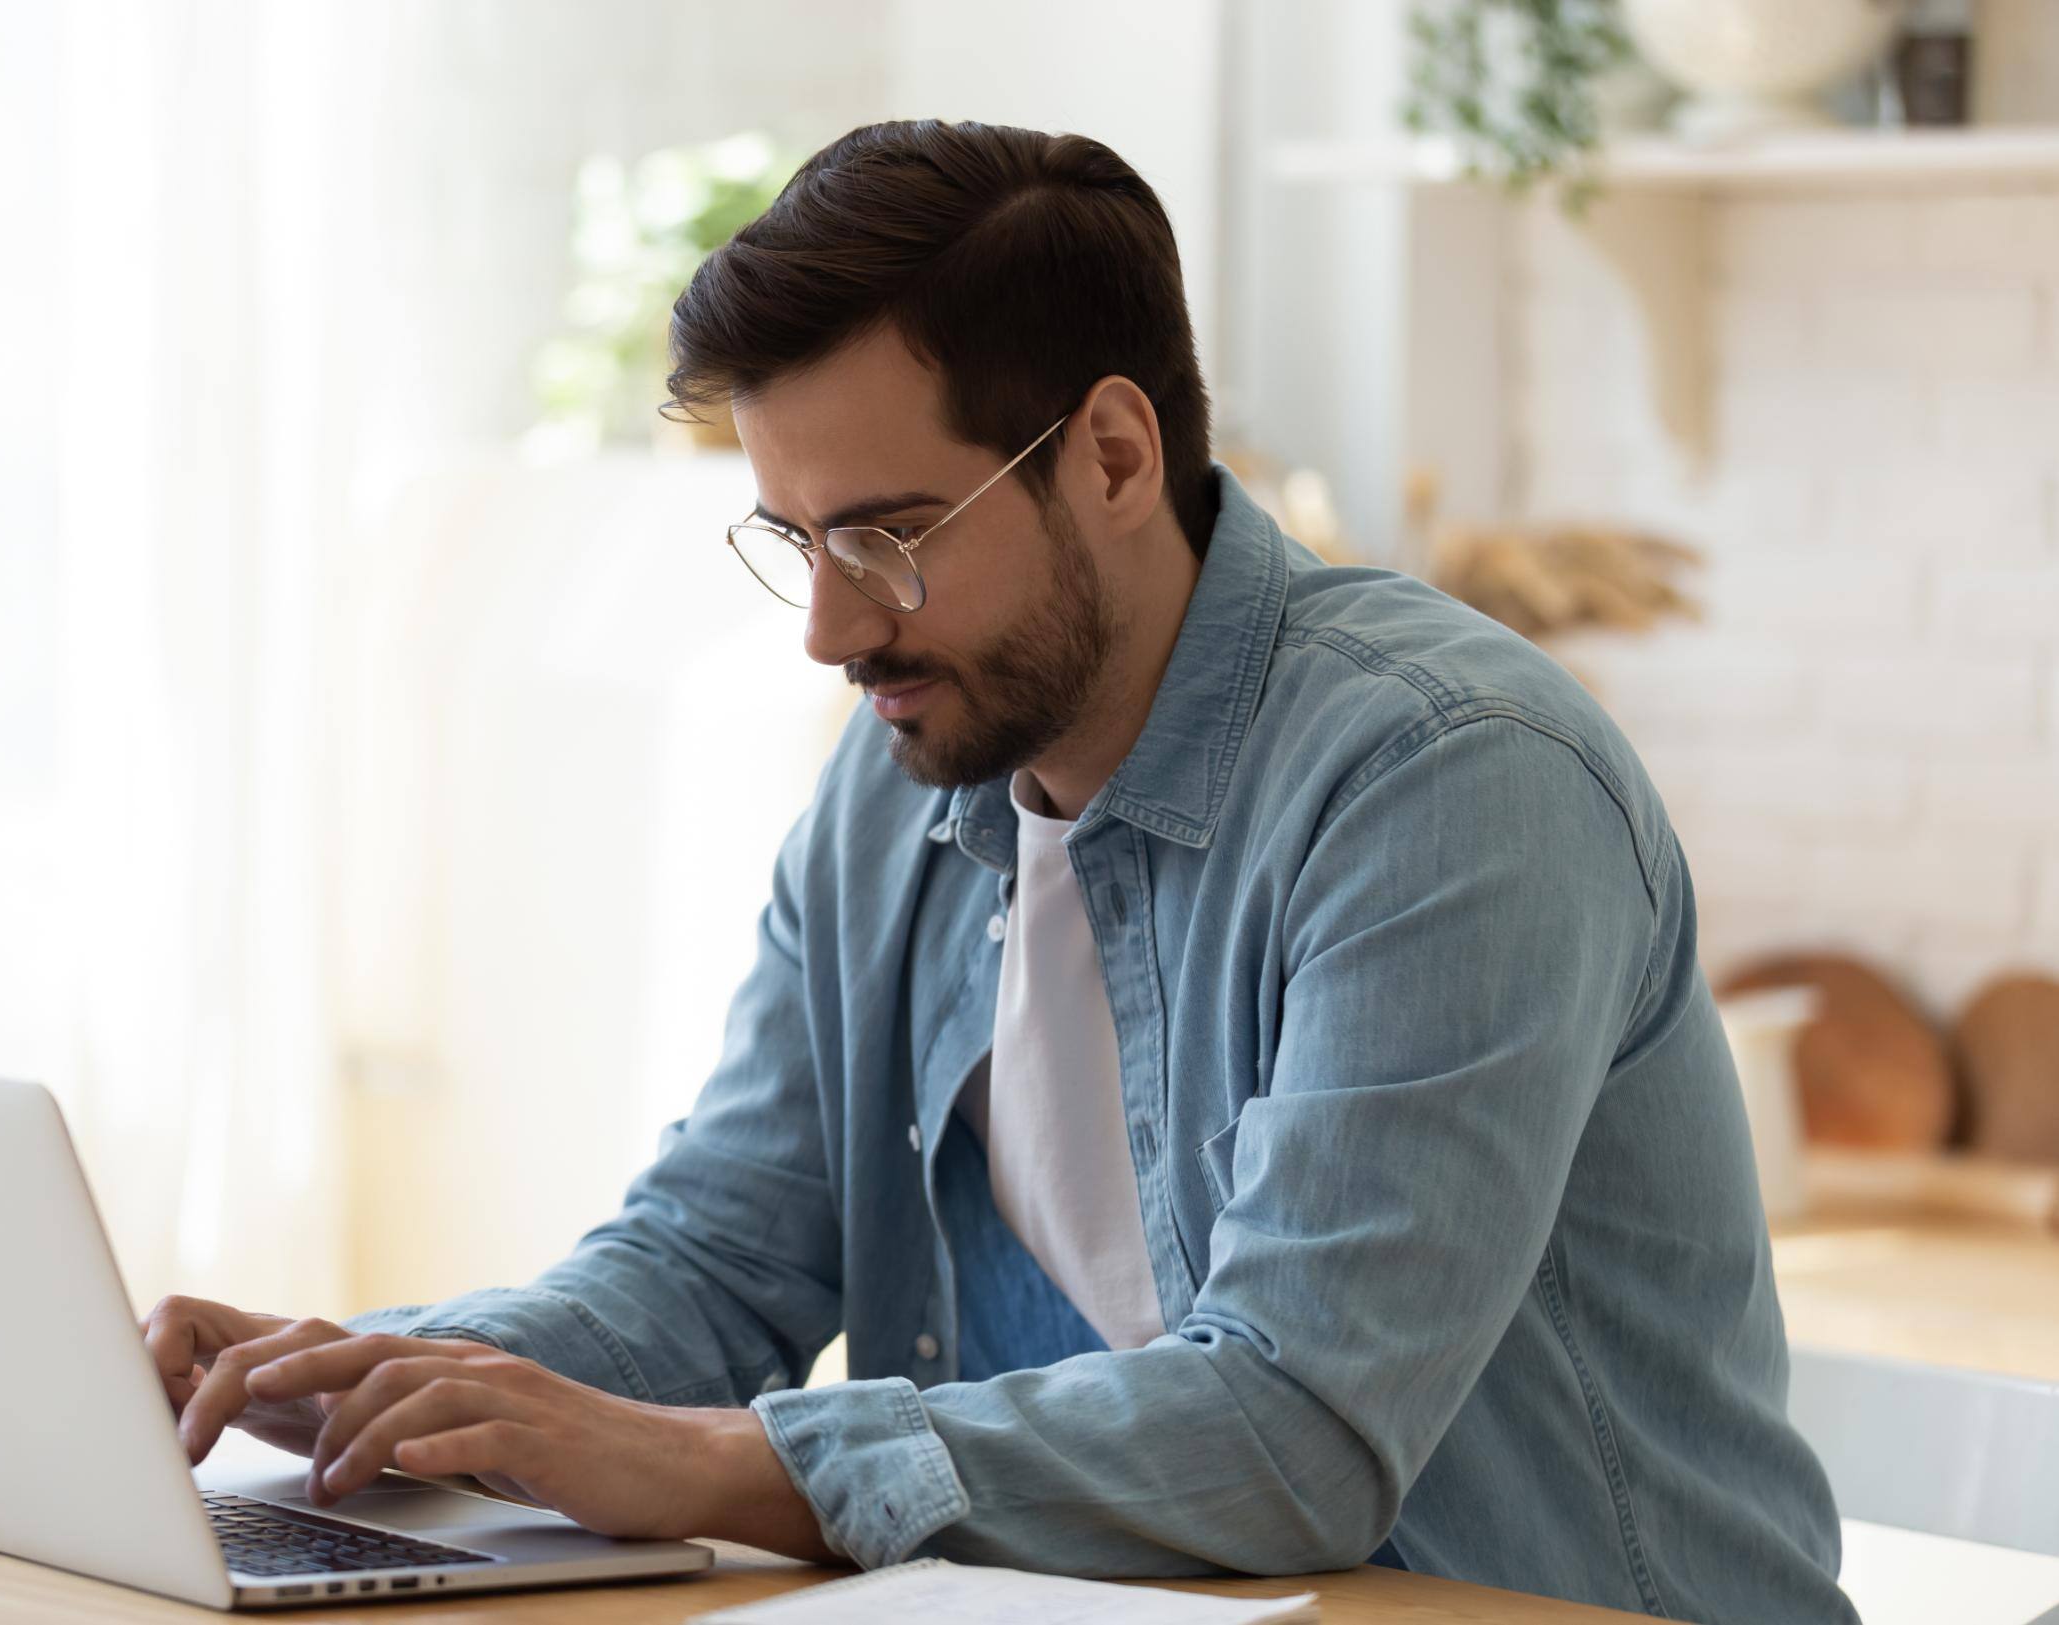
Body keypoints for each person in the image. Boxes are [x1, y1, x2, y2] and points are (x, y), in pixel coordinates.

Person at [144, 119, 1855, 1622]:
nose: (829, 627)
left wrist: (694, 1462)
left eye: (886, 535)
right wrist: (380, 1381)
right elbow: (718, 1257)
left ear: (1112, 455)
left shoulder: (1451, 780)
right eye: (795, 543)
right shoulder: (899, 781)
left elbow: (1296, 1434)